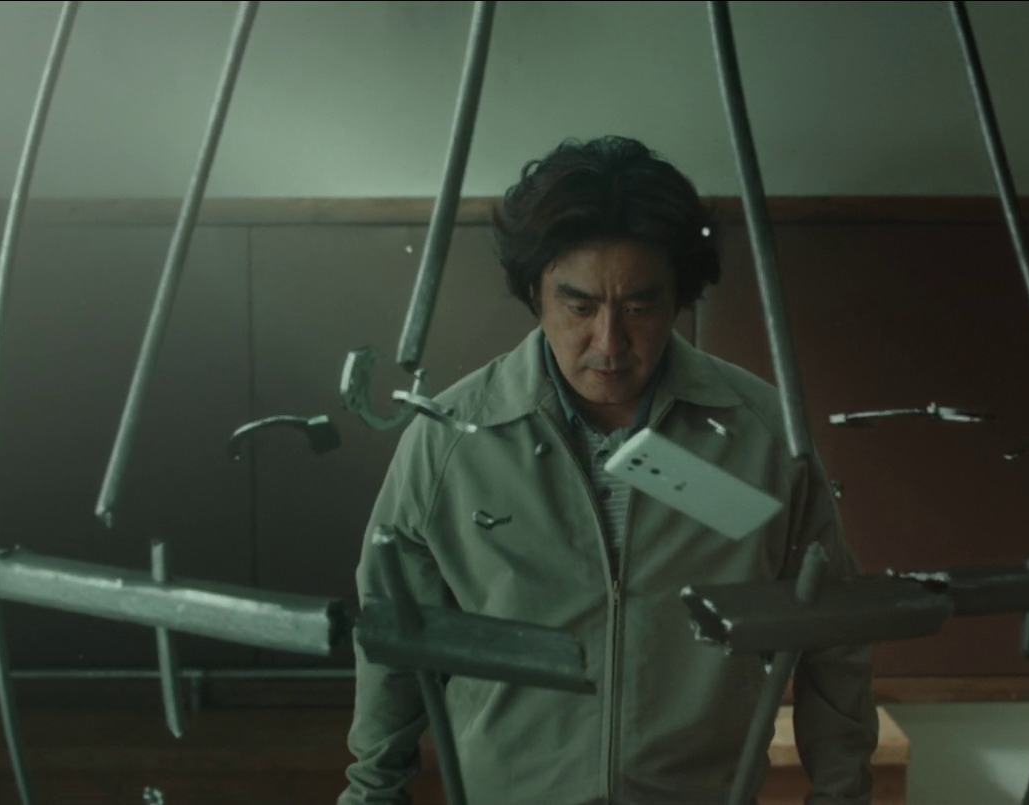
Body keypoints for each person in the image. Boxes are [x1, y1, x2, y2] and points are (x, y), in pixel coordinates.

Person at [339, 135, 878, 805]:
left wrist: (841, 793)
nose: (609, 343)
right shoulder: (450, 440)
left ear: (679, 298)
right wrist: (372, 792)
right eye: (580, 306)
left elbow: (832, 632)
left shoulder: (763, 435)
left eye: (640, 308)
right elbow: (392, 633)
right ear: (535, 294)